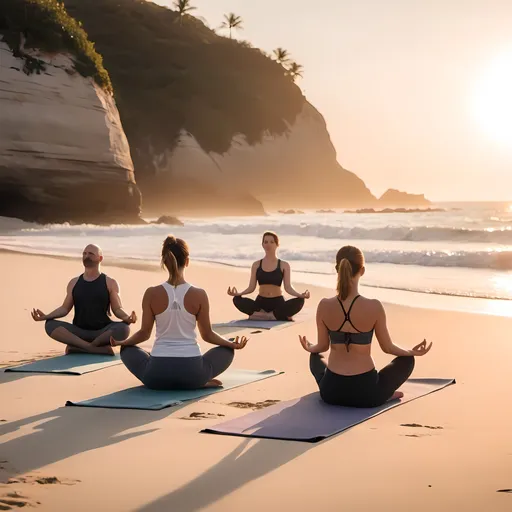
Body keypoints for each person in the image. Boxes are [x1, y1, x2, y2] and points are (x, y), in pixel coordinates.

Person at [298, 245, 432, 408]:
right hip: (367, 395)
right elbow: (388, 348)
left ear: (337, 269)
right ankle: (384, 394)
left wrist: (310, 347)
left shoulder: (324, 305)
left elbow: (323, 346)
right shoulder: (373, 306)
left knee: (315, 356)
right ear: (362, 270)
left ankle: (381, 393)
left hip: (331, 393)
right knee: (407, 361)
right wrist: (411, 352)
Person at [110, 235, 249, 390]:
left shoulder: (151, 293)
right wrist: (231, 344)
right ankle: (198, 381)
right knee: (226, 350)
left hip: (156, 376)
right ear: (187, 261)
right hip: (192, 372)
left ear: (164, 262)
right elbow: (207, 335)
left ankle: (174, 378)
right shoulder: (199, 294)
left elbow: (144, 334)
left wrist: (123, 343)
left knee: (127, 349)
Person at [31, 244, 135, 355]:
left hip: (101, 332)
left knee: (124, 328)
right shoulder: (74, 283)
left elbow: (117, 308)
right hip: (79, 332)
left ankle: (78, 347)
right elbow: (64, 308)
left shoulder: (110, 282)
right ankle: (92, 348)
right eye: (84, 253)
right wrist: (45, 316)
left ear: (100, 258)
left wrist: (126, 317)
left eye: (91, 254)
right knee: (50, 325)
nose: (86, 256)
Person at [227, 231, 310, 321]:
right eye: (265, 242)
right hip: (260, 303)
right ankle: (273, 316)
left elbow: (288, 287)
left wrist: (300, 295)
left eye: (271, 242)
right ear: (262, 244)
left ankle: (262, 315)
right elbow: (251, 287)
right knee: (237, 299)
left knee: (300, 301)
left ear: (277, 244)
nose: (268, 244)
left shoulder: (284, 265)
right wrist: (239, 294)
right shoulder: (256, 264)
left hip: (277, 302)